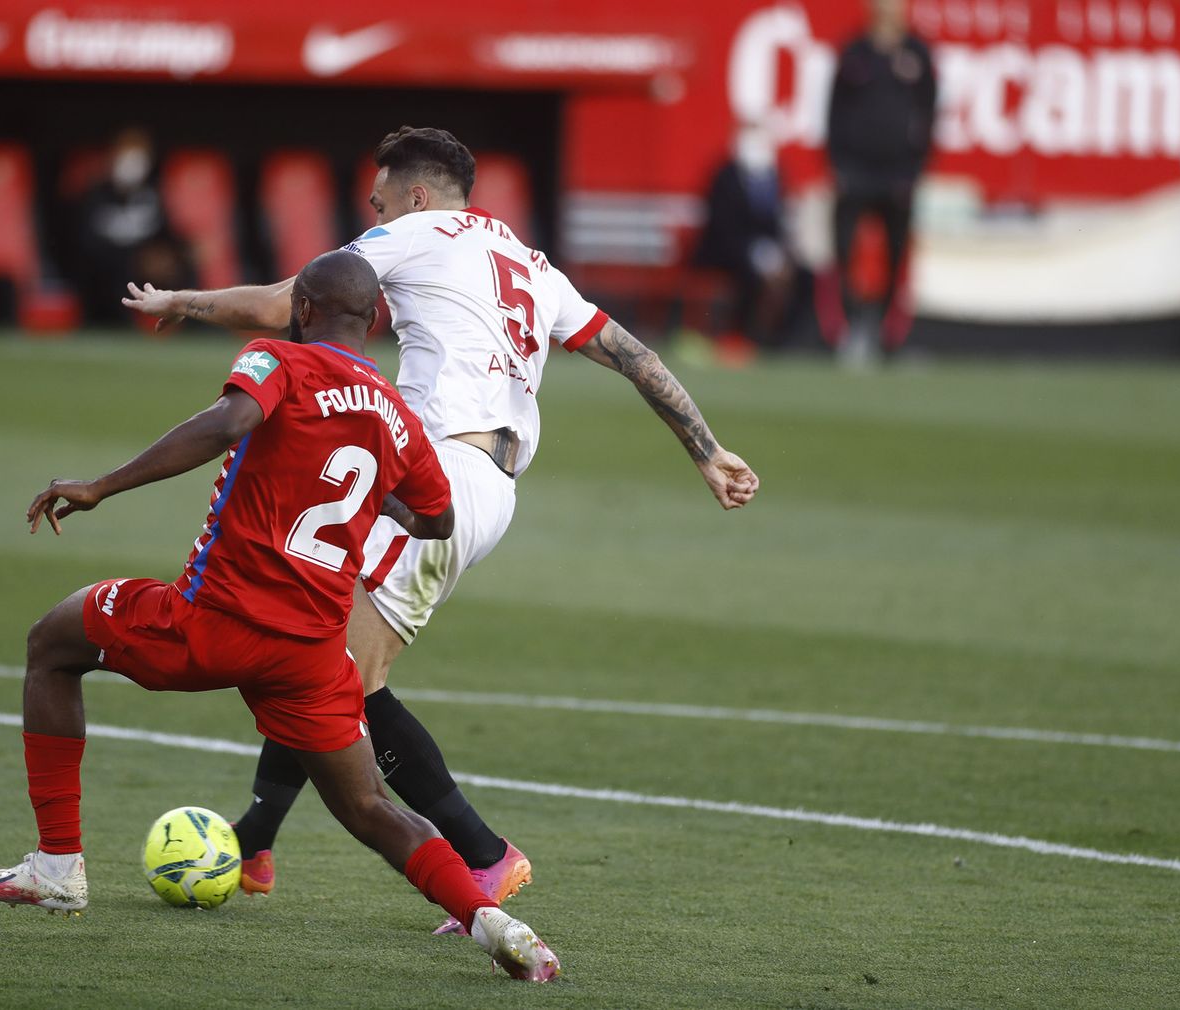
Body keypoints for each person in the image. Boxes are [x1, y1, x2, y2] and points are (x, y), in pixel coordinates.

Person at [123, 126, 759, 935]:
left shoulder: (413, 233)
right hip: (488, 486)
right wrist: (707, 450)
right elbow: (632, 354)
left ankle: (481, 852)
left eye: (379, 193)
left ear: (416, 195)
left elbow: (292, 303)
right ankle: (256, 844)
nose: (371, 206)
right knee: (318, 642)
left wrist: (181, 301)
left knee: (330, 671)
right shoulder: (529, 262)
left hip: (439, 475)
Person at [0, 250, 560, 982]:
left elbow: (230, 421)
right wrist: (378, 494)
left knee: (52, 643)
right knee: (371, 808)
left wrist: (103, 485)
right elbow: (437, 521)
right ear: (374, 320)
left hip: (212, 623)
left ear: (304, 310)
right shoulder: (398, 417)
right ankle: (498, 926)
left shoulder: (279, 359)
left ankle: (57, 865)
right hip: (311, 655)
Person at [824, 0, 937, 353]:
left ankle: (889, 334)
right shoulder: (855, 52)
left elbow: (929, 112)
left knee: (896, 251)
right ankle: (852, 323)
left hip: (897, 172)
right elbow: (835, 110)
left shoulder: (917, 55)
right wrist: (838, 164)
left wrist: (916, 169)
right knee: (844, 248)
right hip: (856, 169)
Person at [693, 121, 809, 349]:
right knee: (750, 276)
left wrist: (776, 251)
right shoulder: (726, 175)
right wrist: (754, 251)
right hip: (728, 250)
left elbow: (778, 220)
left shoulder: (773, 176)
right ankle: (742, 335)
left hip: (765, 248)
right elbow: (722, 225)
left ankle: (782, 339)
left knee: (803, 276)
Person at [73, 128, 192, 326]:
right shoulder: (96, 194)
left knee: (178, 264)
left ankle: (186, 325)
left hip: (147, 265)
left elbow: (167, 234)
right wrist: (133, 257)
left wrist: (168, 253)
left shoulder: (154, 193)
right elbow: (85, 241)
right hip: (107, 266)